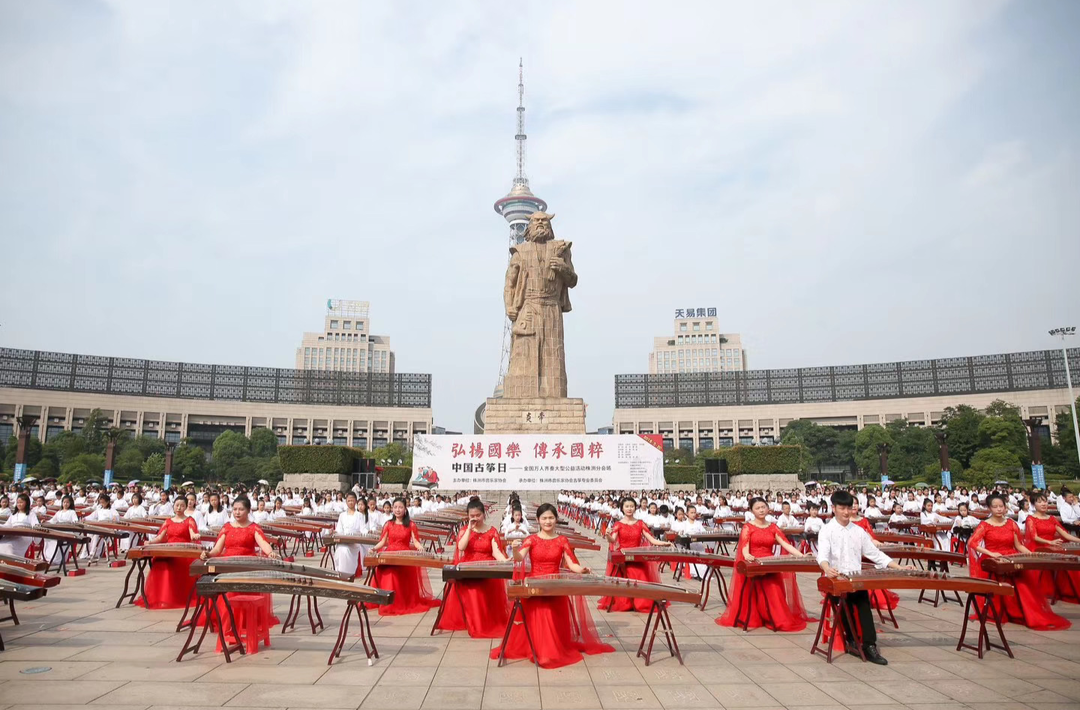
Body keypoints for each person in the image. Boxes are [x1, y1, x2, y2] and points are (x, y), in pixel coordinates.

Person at [489, 503, 613, 668]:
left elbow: (571, 563)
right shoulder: (531, 539)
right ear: (538, 520)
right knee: (542, 614)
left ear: (556, 519)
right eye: (544, 518)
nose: (548, 521)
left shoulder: (562, 540)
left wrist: (581, 569)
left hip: (555, 585)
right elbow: (519, 558)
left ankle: (550, 650)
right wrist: (515, 549)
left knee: (552, 616)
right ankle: (543, 651)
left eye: (551, 518)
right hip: (536, 585)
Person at [818, 490, 910, 665]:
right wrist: (826, 568)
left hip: (855, 577)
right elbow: (821, 554)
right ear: (833, 508)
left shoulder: (858, 531)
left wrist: (899, 567)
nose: (846, 512)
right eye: (842, 508)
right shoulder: (827, 530)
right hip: (836, 579)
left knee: (864, 606)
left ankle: (869, 645)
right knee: (843, 606)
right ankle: (851, 640)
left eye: (849, 508)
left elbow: (875, 554)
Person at [968, 493, 1069, 630]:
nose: (998, 509)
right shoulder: (985, 525)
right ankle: (1001, 612)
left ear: (1005, 507)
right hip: (993, 558)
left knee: (1022, 585)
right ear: (990, 509)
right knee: (999, 586)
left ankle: (1020, 613)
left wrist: (1033, 555)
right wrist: (990, 553)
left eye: (1001, 506)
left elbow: (1019, 545)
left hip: (1012, 557)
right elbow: (972, 543)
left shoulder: (1011, 523)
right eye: (995, 507)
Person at [716, 497, 810, 632]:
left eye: (763, 507)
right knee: (754, 591)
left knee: (774, 590)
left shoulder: (772, 527)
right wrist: (747, 555)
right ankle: (756, 617)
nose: (761, 510)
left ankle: (775, 618)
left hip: (769, 562)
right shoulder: (748, 527)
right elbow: (745, 545)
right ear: (752, 511)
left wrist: (801, 556)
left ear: (767, 508)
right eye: (757, 508)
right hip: (754, 562)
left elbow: (785, 543)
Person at [199, 496, 281, 650]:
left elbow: (264, 544)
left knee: (244, 596)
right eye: (235, 509)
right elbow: (218, 549)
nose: (237, 512)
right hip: (228, 566)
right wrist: (208, 554)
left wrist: (271, 553)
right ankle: (228, 628)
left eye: (241, 509)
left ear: (248, 510)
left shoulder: (253, 528)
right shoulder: (227, 527)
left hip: (247, 567)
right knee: (228, 596)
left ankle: (245, 629)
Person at [435, 498, 510, 637]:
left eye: (478, 515)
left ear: (483, 514)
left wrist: (505, 561)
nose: (475, 518)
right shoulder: (464, 531)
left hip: (486, 567)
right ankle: (475, 623)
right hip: (469, 567)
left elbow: (495, 551)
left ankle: (484, 621)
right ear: (468, 516)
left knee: (486, 587)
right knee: (474, 590)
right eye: (472, 516)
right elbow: (461, 547)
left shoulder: (491, 531)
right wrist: (469, 529)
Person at [598, 497, 674, 612]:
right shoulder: (618, 524)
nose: (629, 509)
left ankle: (641, 602)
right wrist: (607, 534)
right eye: (627, 506)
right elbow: (612, 541)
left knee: (640, 574)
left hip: (637, 557)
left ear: (635, 508)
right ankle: (629, 601)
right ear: (622, 508)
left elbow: (652, 540)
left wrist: (665, 543)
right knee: (632, 573)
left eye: (632, 506)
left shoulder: (640, 523)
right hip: (623, 557)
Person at [368, 498, 441, 616]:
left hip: (405, 555)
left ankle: (399, 602)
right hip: (390, 554)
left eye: (400, 507)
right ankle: (387, 602)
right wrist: (374, 549)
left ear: (405, 509)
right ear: (392, 509)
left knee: (400, 575)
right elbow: (382, 542)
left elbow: (416, 541)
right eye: (395, 507)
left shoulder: (411, 525)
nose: (397, 510)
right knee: (389, 574)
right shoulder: (388, 524)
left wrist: (420, 548)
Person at [138, 497, 201, 609]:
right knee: (160, 561)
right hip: (169, 549)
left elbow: (192, 534)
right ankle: (161, 596)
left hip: (183, 551)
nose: (179, 508)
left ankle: (176, 596)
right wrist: (150, 542)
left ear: (186, 507)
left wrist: (195, 536)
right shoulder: (168, 521)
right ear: (173, 506)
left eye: (182, 505)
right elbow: (160, 538)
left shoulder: (189, 520)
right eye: (177, 505)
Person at [1023, 490, 1080, 604]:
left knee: (1071, 563)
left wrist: (1079, 540)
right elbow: (1034, 537)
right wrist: (1050, 542)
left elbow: (1065, 535)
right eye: (1040, 502)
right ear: (1034, 504)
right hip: (1039, 547)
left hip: (1053, 546)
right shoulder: (1031, 519)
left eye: (1045, 502)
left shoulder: (1052, 518)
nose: (1044, 504)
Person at [333, 493, 370, 576]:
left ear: (355, 501)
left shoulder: (360, 515)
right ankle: (341, 573)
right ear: (346, 502)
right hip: (343, 540)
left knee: (346, 551)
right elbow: (339, 529)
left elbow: (363, 529)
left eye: (352, 501)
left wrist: (367, 532)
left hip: (354, 541)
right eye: (349, 501)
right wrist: (335, 532)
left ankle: (348, 574)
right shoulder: (342, 515)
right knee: (341, 550)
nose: (350, 502)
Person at [0, 493, 39, 559]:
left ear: (26, 503)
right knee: (2, 543)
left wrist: (36, 527)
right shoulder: (14, 514)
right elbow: (7, 525)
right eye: (18, 502)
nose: (19, 504)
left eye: (21, 502)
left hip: (24, 536)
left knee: (9, 546)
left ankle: (12, 562)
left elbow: (36, 525)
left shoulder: (31, 514)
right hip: (13, 535)